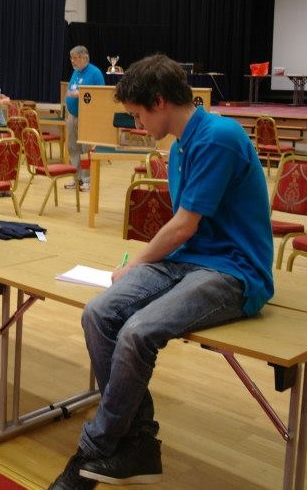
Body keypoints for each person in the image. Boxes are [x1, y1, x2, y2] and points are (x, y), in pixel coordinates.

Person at [49, 53, 274, 489]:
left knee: (137, 332)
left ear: (158, 101)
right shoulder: (180, 147)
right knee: (98, 314)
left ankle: (92, 451)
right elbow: (184, 232)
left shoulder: (219, 137)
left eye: (137, 115)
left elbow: (185, 225)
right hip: (186, 262)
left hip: (234, 272)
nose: (135, 124)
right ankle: (138, 442)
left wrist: (136, 262)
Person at [64, 46, 105, 192]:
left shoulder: (95, 73)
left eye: (75, 58)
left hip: (87, 117)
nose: (72, 61)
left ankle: (87, 180)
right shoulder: (75, 71)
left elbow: (101, 95)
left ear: (84, 58)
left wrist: (80, 93)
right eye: (71, 58)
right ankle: (76, 177)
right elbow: (70, 90)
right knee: (72, 147)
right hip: (72, 115)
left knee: (85, 149)